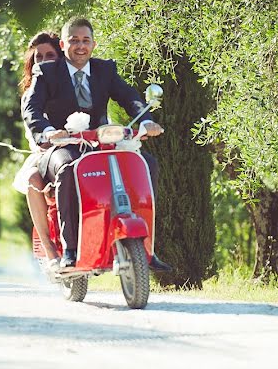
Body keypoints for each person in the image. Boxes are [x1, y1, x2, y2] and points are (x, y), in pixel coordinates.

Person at [21, 16, 171, 271]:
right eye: (74, 40)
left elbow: (129, 97)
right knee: (67, 168)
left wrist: (145, 120)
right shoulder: (47, 72)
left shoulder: (105, 70)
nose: (81, 46)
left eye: (86, 41)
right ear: (63, 44)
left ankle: (146, 245)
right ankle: (70, 249)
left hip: (100, 142)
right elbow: (31, 107)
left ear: (94, 44)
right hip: (63, 145)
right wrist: (48, 131)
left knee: (146, 163)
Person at [14, 31, 63, 264]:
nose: (44, 61)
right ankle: (49, 248)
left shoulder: (71, 83)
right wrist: (48, 137)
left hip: (78, 146)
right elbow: (34, 128)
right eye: (38, 57)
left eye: (49, 55)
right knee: (34, 179)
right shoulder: (30, 96)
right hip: (45, 152)